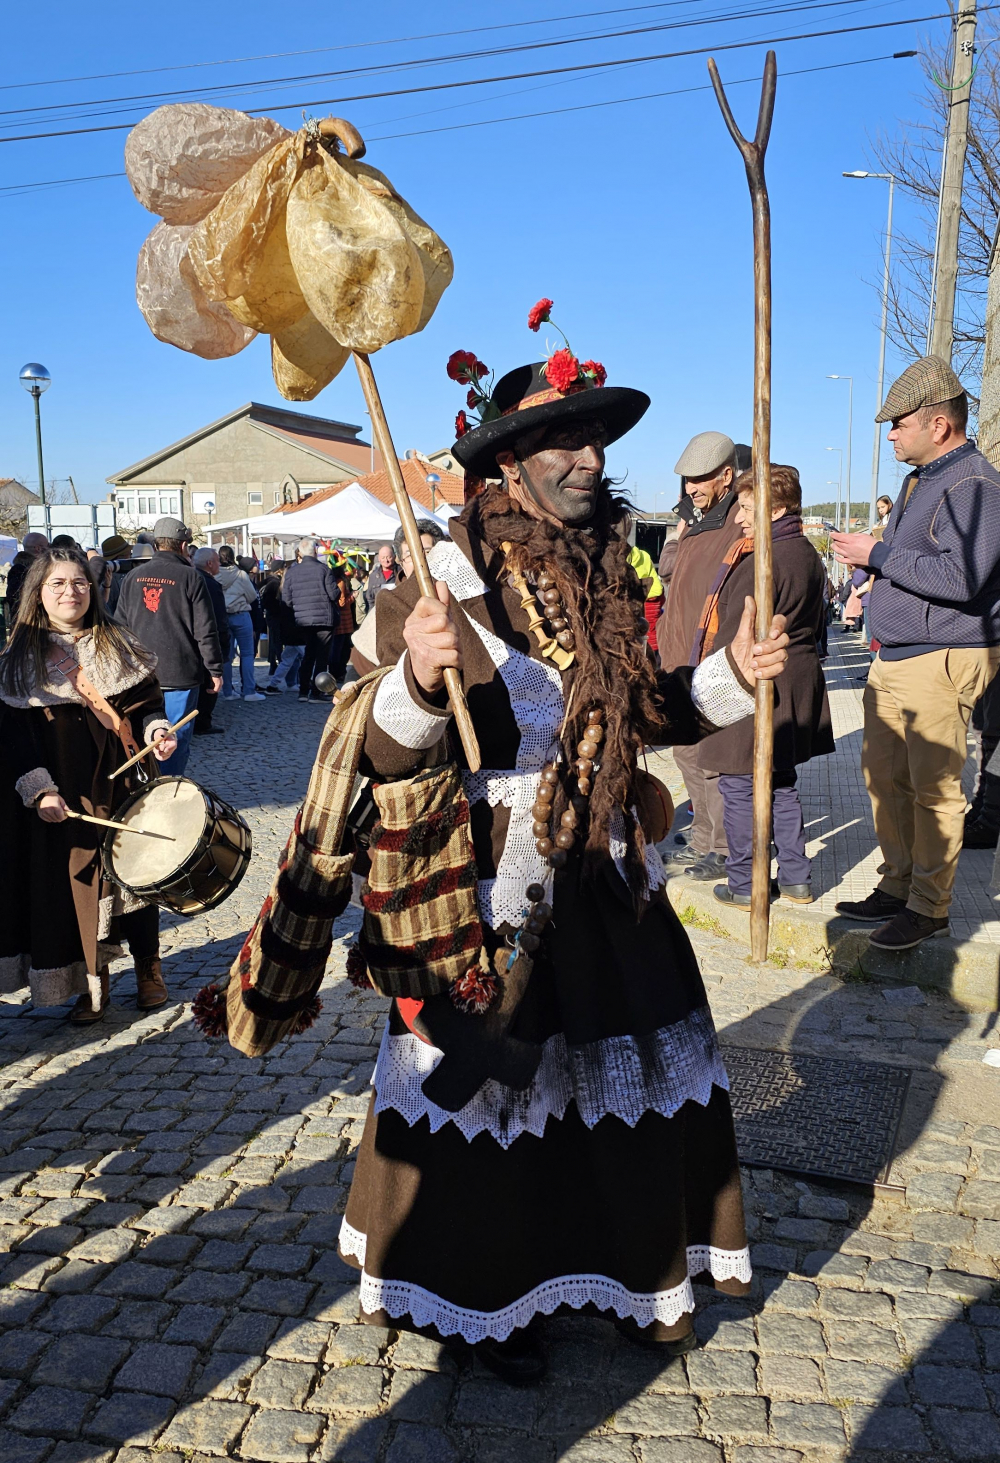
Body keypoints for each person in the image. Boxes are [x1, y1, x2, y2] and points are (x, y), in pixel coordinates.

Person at [326, 346, 788, 1383]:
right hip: (495, 886)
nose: (588, 457)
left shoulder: (604, 574)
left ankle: (633, 1275)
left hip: (612, 873)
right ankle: (492, 1298)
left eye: (595, 439)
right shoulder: (441, 584)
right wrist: (412, 673)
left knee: (627, 1083)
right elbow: (371, 746)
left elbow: (639, 711)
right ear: (508, 465)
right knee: (499, 1093)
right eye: (562, 440)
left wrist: (727, 676)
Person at [833, 355, 1000, 949]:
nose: (891, 433)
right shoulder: (918, 482)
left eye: (899, 422)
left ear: (940, 425)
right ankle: (899, 884)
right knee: (884, 778)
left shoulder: (974, 483)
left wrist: (876, 555)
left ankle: (930, 907)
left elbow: (965, 578)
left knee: (934, 787)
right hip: (898, 653)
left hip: (943, 654)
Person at [0, 547, 177, 1020]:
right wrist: (40, 789)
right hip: (62, 791)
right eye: (56, 584)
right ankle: (87, 984)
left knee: (137, 877)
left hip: (122, 783)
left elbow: (145, 703)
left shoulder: (117, 640)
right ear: (38, 593)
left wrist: (156, 731)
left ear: (93, 589)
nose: (69, 592)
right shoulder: (17, 658)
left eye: (78, 582)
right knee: (74, 888)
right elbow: (11, 735)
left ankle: (148, 968)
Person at [691, 465, 833, 908]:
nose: (738, 516)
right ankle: (795, 877)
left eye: (749, 507)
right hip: (793, 679)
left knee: (738, 785)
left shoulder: (767, 558)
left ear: (780, 507)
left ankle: (744, 884)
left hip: (759, 682)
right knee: (780, 782)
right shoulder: (805, 551)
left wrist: (714, 682)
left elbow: (740, 636)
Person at [656, 432, 743, 880]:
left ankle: (724, 848)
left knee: (713, 758)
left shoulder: (737, 523)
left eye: (701, 479)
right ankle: (704, 838)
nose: (691, 487)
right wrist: (678, 532)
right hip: (676, 658)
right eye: (687, 479)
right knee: (687, 756)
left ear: (727, 476)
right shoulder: (696, 521)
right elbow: (666, 568)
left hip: (708, 659)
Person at [116, 516, 223, 776]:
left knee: (145, 737)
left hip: (141, 673)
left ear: (155, 544)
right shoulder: (191, 577)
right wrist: (215, 670)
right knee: (174, 740)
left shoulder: (132, 577)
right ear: (184, 546)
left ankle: (146, 789)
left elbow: (119, 626)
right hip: (179, 673)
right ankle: (168, 790)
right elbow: (205, 629)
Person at [281, 538, 338, 702]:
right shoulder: (324, 569)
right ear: (315, 552)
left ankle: (303, 691)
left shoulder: (292, 572)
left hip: (303, 619)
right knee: (321, 657)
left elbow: (287, 599)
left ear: (300, 552)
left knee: (308, 656)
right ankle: (317, 692)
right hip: (324, 619)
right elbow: (334, 595)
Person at [216, 546, 264, 702]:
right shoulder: (241, 575)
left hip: (223, 617)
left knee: (227, 657)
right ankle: (249, 690)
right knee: (247, 654)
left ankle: (228, 691)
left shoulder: (215, 575)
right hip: (241, 615)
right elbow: (251, 596)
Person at [192, 547, 231, 736]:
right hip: (209, 638)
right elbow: (217, 618)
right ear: (209, 563)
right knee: (210, 682)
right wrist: (224, 640)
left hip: (193, 639)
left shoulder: (191, 579)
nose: (220, 565)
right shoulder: (209, 584)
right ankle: (203, 722)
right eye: (217, 561)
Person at [5, 531, 48, 625]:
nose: (49, 549)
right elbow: (15, 599)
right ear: (38, 548)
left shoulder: (28, 568)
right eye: (47, 546)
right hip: (29, 624)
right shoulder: (21, 570)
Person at [260, 562, 285, 675]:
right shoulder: (274, 583)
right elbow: (268, 601)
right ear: (279, 570)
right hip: (275, 615)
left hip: (271, 615)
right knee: (276, 641)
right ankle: (277, 663)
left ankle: (274, 665)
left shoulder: (268, 581)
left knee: (274, 640)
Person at [363, 542, 400, 611]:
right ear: (379, 559)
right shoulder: (373, 576)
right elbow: (370, 599)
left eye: (389, 557)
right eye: (383, 558)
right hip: (379, 613)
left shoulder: (402, 573)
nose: (386, 560)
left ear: (394, 557)